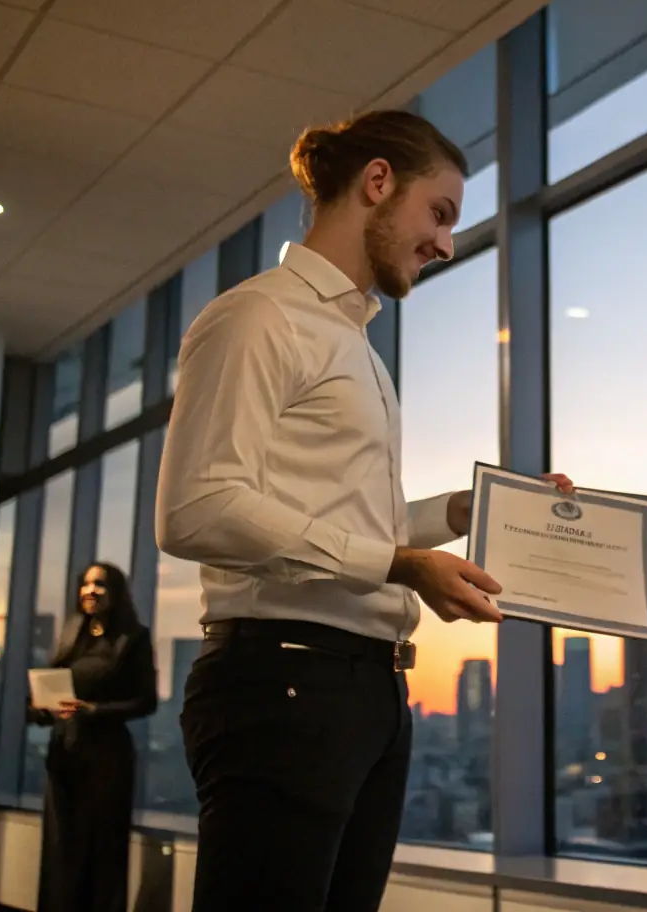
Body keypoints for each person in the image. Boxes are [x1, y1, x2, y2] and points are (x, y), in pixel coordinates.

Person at [155, 109, 574, 912]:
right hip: (283, 679)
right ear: (377, 182)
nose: (446, 244)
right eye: (440, 214)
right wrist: (398, 563)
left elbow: (335, 521)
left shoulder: (353, 345)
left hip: (365, 692)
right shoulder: (259, 318)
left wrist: (456, 512)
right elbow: (195, 509)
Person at [28, 562, 157, 912]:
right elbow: (42, 703)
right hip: (65, 754)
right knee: (61, 849)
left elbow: (147, 702)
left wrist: (94, 710)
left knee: (102, 851)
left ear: (115, 592)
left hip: (107, 759)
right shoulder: (71, 636)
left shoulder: (133, 639)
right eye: (85, 585)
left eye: (99, 585)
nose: (90, 591)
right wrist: (42, 709)